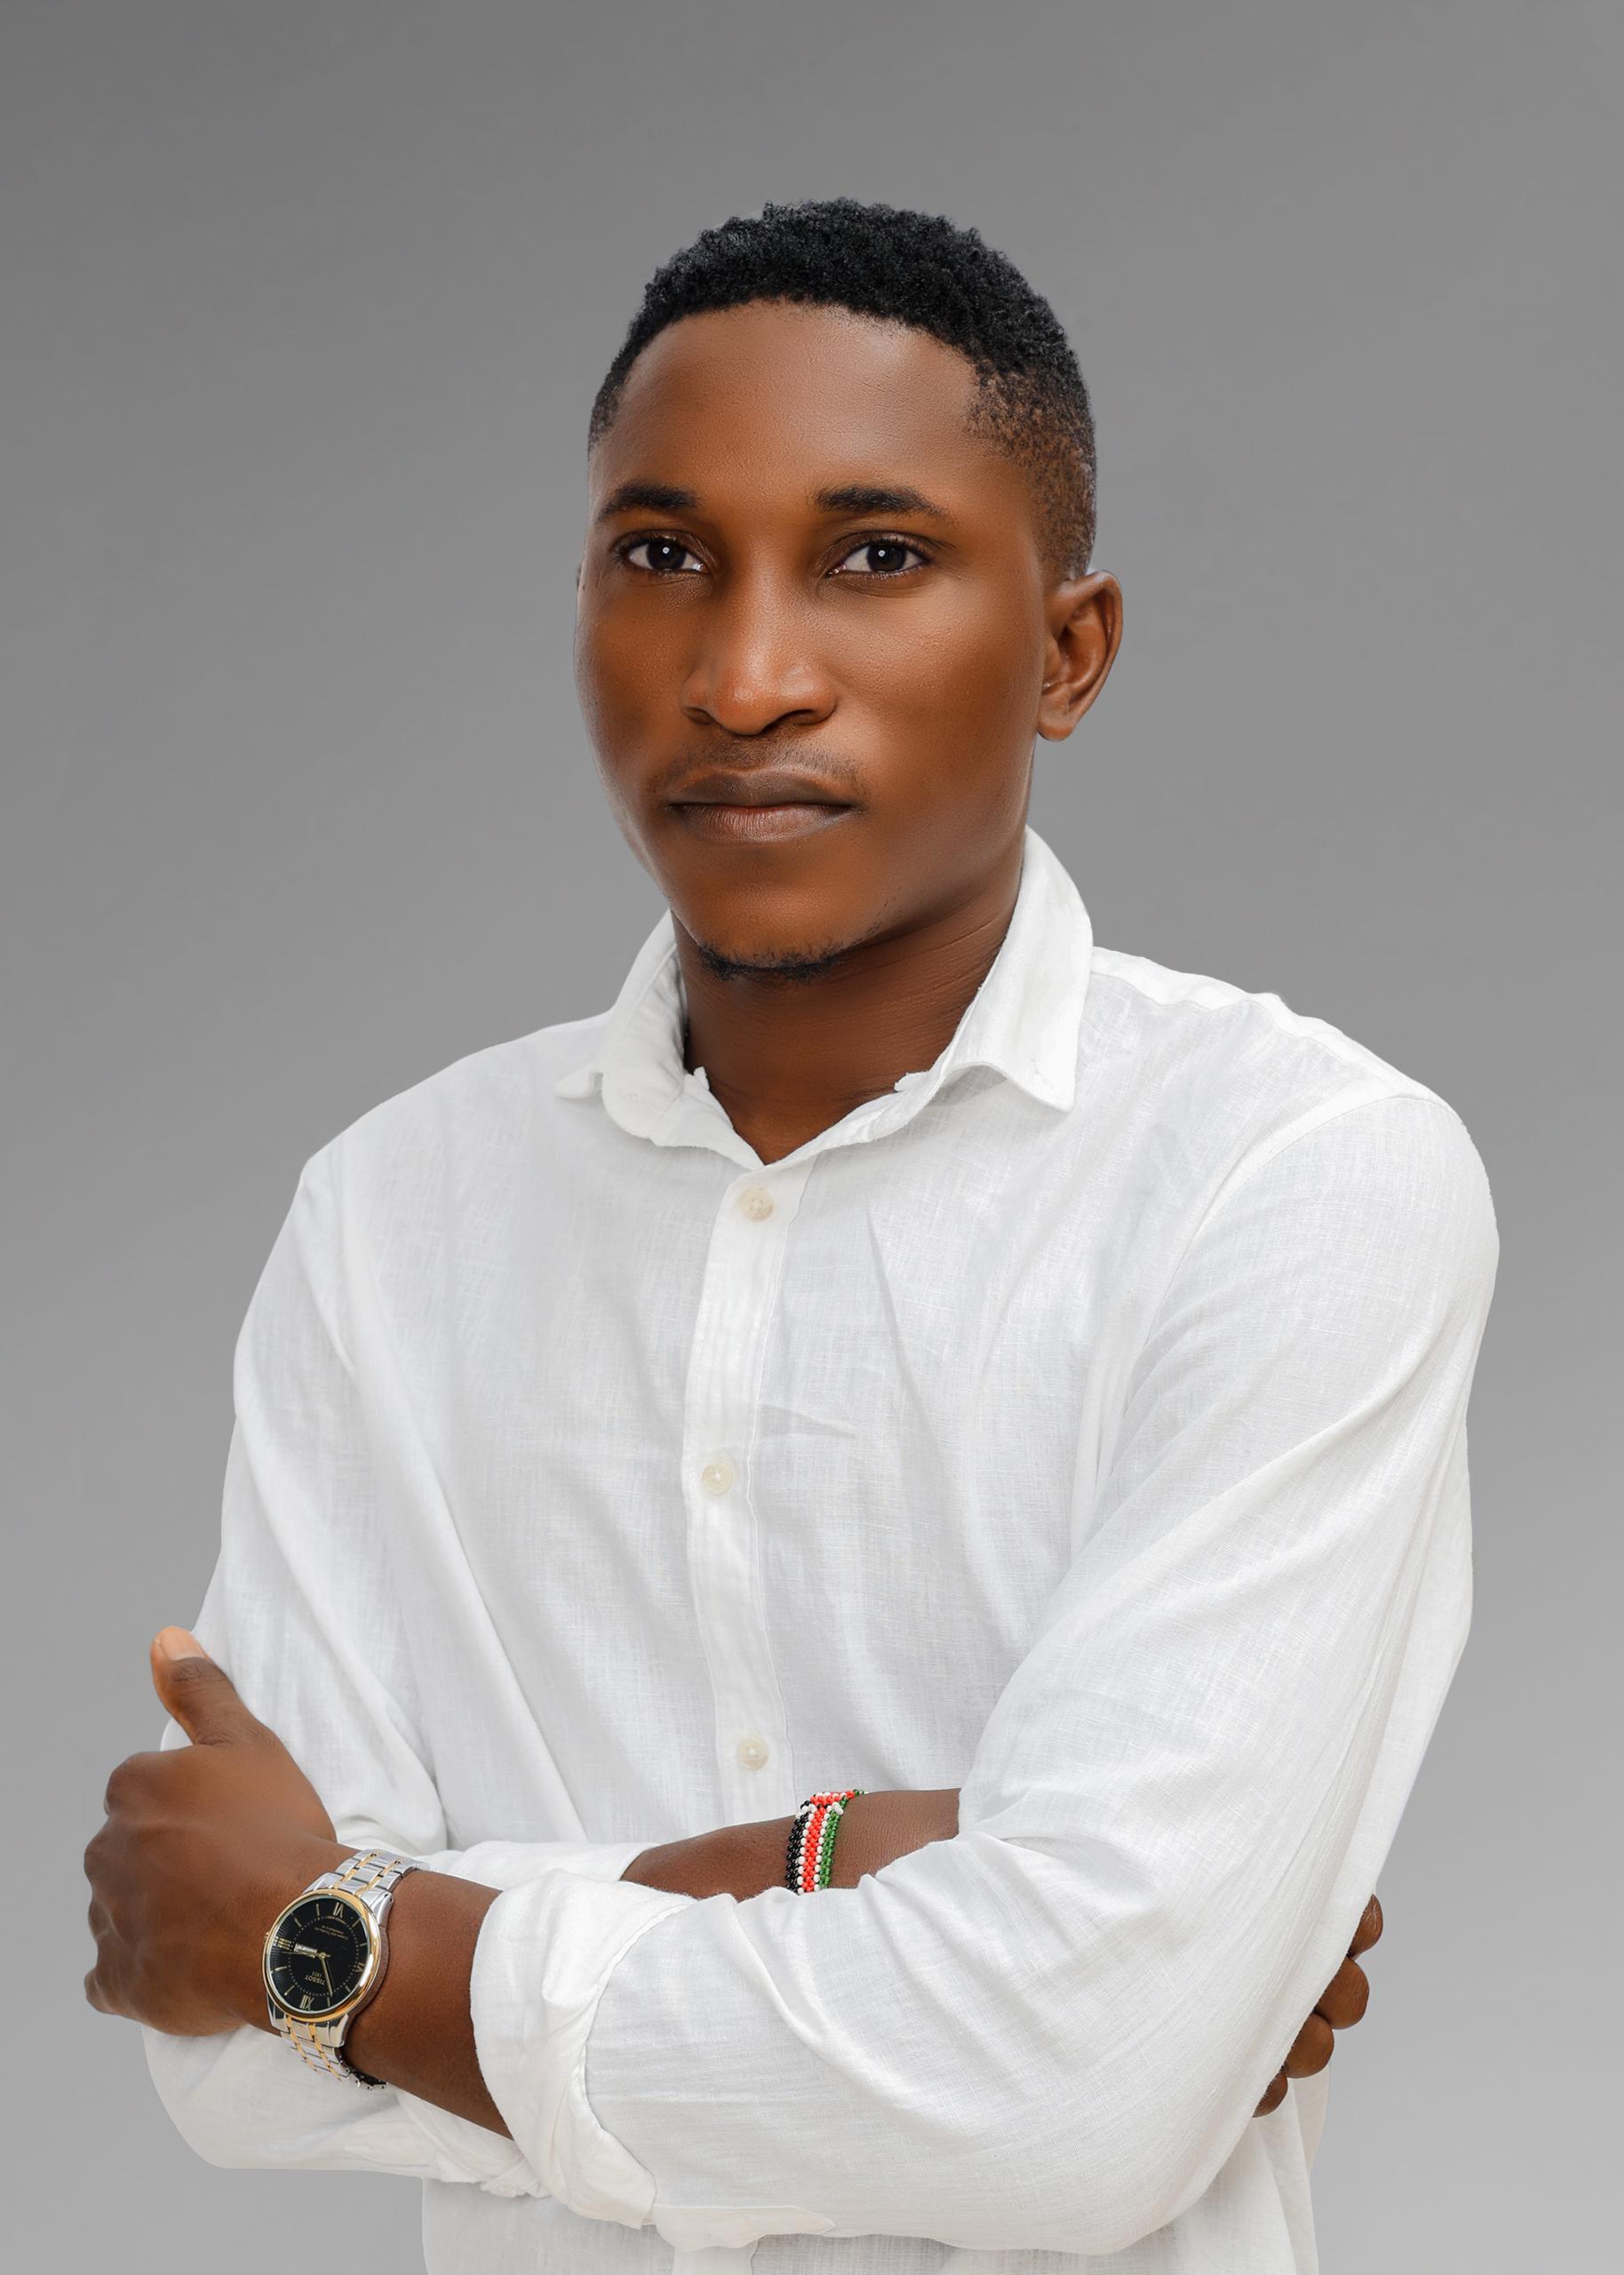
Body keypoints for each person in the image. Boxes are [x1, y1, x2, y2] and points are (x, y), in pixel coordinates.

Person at [84, 198, 1497, 2274]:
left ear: (1067, 651)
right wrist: (881, 1893)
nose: (743, 677)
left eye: (877, 556)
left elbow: (1068, 2095)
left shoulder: (1291, 1176)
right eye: (662, 556)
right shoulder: (390, 1214)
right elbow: (219, 2046)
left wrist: (344, 1943)